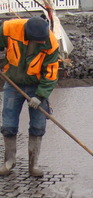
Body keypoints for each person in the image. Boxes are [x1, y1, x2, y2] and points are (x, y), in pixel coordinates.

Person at [0, 16, 59, 177]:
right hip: (13, 83)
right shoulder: (9, 28)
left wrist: (40, 96)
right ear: (28, 35)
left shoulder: (50, 42)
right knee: (9, 124)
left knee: (38, 125)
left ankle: (33, 165)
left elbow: (51, 73)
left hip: (37, 85)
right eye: (37, 41)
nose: (41, 43)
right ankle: (9, 161)